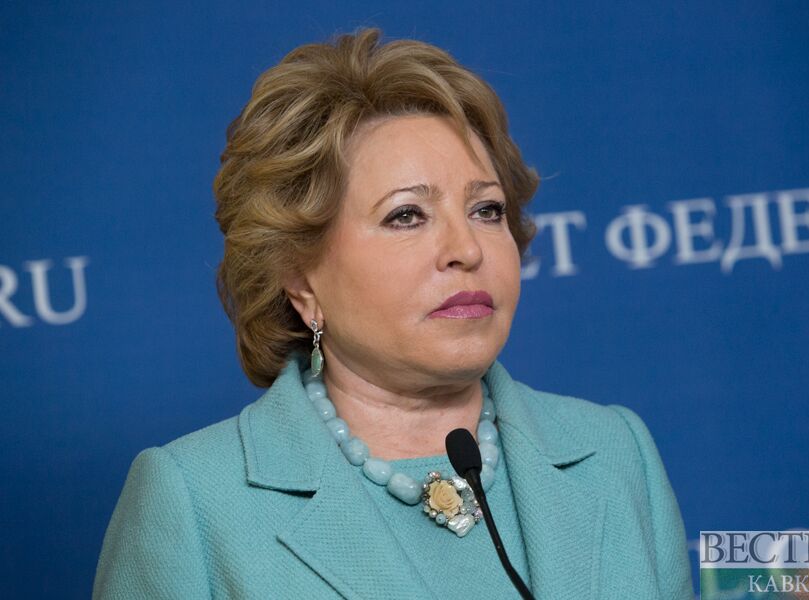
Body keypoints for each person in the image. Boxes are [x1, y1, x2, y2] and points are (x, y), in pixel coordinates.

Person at [93, 28, 693, 599]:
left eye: (486, 210)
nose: (466, 249)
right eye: (407, 215)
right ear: (299, 278)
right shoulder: (194, 502)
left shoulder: (616, 452)